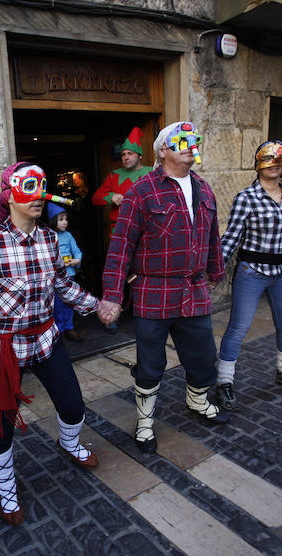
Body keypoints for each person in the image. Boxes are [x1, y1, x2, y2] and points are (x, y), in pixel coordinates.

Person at [0, 162, 101, 526]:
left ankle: (69, 443)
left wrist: (98, 307)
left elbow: (62, 286)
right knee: (1, 430)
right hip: (3, 350)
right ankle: (6, 494)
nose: (39, 195)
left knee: (73, 406)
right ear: (10, 195)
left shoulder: (50, 239)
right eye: (30, 186)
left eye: (43, 186)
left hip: (47, 341)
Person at [99, 121, 229, 454]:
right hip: (153, 292)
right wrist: (112, 296)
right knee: (150, 364)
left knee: (202, 357)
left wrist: (216, 271)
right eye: (181, 141)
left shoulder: (205, 189)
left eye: (194, 140)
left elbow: (212, 236)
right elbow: (121, 247)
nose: (190, 145)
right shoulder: (141, 191)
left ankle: (197, 400)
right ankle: (145, 420)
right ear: (163, 151)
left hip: (193, 291)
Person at [217, 141, 282, 410]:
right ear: (258, 164)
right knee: (239, 327)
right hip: (252, 271)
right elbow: (231, 238)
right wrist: (214, 267)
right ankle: (224, 381)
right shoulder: (246, 198)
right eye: (269, 160)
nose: (275, 165)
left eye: (280, 160)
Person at [92, 127, 155, 237]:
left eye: (130, 153)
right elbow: (95, 198)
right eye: (123, 154)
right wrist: (112, 197)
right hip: (119, 230)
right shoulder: (114, 175)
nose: (126, 157)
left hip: (145, 230)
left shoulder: (151, 172)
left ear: (140, 156)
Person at [47, 202, 85, 342]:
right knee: (57, 304)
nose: (65, 222)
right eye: (61, 219)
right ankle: (59, 330)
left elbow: (77, 252)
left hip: (70, 275)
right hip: (56, 277)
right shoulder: (48, 236)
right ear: (53, 220)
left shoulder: (68, 235)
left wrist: (77, 260)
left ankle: (69, 328)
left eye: (66, 219)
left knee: (69, 302)